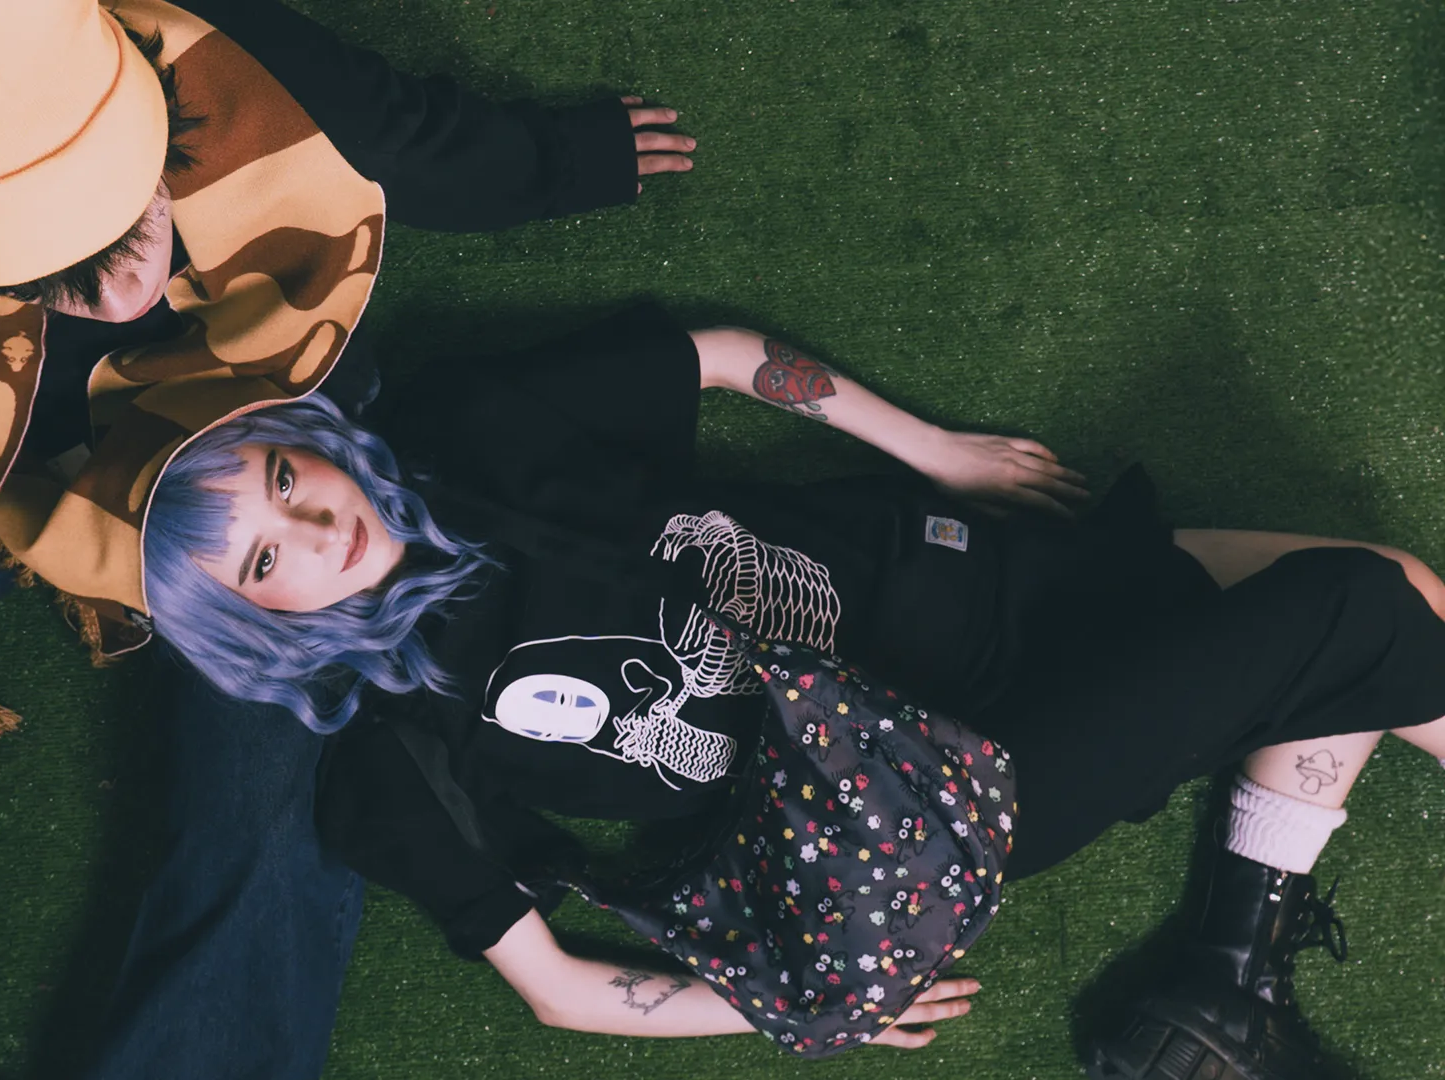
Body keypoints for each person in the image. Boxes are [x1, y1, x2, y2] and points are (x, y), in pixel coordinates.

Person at [0, 0, 696, 1076]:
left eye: (128, 225)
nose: (122, 295)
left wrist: (561, 159)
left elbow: (389, 129)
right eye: (49, 282)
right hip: (1, 471)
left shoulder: (195, 41)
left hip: (248, 449)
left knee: (274, 785)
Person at [140, 302, 1445, 1073]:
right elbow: (561, 990)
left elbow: (711, 355)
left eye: (286, 482)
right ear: (256, 626)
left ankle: (1223, 991)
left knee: (1381, 601)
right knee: (1368, 607)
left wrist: (933, 448)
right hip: (949, 783)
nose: (315, 530)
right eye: (264, 561)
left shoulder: (455, 434)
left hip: (976, 580)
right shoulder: (394, 758)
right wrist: (821, 1001)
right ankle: (1224, 985)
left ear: (308, 446)